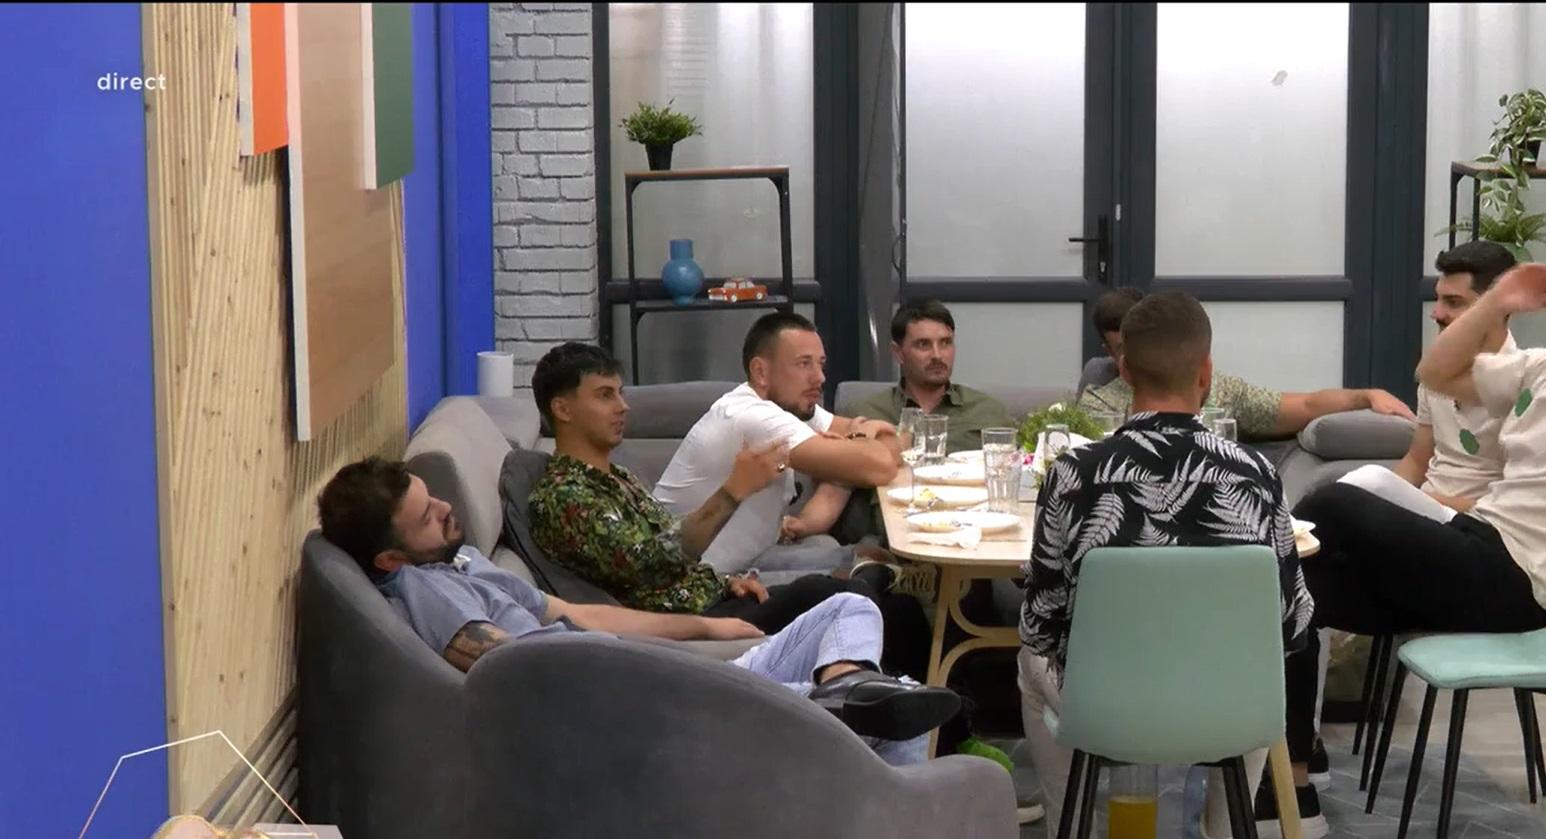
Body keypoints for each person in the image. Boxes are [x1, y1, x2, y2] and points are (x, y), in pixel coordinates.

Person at [316, 456, 963, 766]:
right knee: (902, 705)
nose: (445, 510)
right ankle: (853, 715)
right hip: (642, 703)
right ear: (389, 557)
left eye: (433, 497)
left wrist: (704, 626)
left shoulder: (457, 561)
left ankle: (844, 688)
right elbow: (509, 671)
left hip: (655, 676)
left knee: (849, 605)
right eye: (426, 517)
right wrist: (646, 674)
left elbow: (579, 613)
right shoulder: (424, 590)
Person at [1018, 291, 1316, 836]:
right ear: (1206, 372)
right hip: (1227, 704)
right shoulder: (1254, 475)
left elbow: (1040, 624)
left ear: (1125, 370)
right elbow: (1292, 624)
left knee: (1028, 665)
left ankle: (1069, 826)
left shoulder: (1073, 474)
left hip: (1108, 706)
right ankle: (1224, 831)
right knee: (1261, 664)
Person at [1275, 262, 1546, 833]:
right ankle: (1294, 778)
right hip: (1475, 546)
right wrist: (1499, 299)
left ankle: (1241, 562)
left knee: (1337, 501)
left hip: (1520, 580)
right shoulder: (1535, 370)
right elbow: (1434, 372)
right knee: (1303, 592)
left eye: (1457, 303)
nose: (1440, 314)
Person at [524, 342, 924, 670]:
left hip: (715, 597)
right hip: (685, 625)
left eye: (620, 393)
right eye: (604, 395)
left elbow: (666, 551)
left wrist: (724, 582)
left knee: (896, 605)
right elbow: (650, 566)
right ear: (562, 409)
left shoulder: (616, 476)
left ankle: (918, 720)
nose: (623, 407)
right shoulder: (564, 497)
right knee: (846, 598)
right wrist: (734, 490)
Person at [653, 311, 907, 580]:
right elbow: (880, 466)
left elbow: (899, 440)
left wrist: (863, 441)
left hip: (748, 558)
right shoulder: (754, 416)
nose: (819, 377)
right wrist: (863, 436)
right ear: (761, 372)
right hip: (690, 578)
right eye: (804, 364)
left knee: (873, 557)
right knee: (869, 579)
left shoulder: (790, 408)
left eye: (820, 364)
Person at [1080, 289, 1416, 440]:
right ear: (1205, 371)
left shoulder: (1227, 392)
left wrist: (1364, 396)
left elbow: (1305, 406)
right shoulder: (1098, 407)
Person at [846, 299, 1017, 453]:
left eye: (945, 343)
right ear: (898, 353)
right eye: (923, 344)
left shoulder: (989, 412)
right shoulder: (866, 413)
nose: (937, 355)